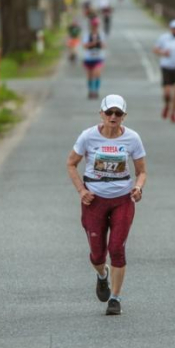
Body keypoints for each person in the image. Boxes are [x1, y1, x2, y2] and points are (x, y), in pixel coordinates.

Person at [66, 95, 147, 316]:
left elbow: (141, 171)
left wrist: (138, 188)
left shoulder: (132, 138)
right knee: (97, 254)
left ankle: (115, 298)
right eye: (109, 113)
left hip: (122, 199)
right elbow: (71, 164)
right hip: (95, 200)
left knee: (117, 249)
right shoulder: (88, 136)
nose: (113, 117)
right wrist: (82, 191)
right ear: (101, 113)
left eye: (118, 113)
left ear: (124, 116)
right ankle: (103, 275)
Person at [83, 18, 106, 99]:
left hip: (98, 58)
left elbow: (104, 46)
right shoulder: (87, 35)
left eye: (97, 25)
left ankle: (95, 91)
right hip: (88, 58)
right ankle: (90, 90)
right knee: (90, 76)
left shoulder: (101, 35)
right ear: (91, 25)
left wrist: (99, 43)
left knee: (96, 74)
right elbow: (85, 46)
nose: (95, 27)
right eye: (94, 25)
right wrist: (93, 43)